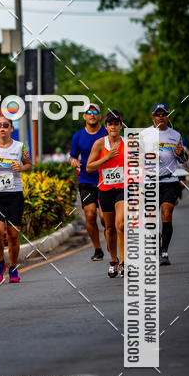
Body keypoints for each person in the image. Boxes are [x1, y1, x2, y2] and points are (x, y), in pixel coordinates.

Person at [0, 114, 32, 283]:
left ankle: (13, 267)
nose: (2, 128)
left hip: (15, 195)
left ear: (11, 128)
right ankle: (0, 262)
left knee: (12, 235)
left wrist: (21, 167)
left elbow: (29, 164)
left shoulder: (20, 147)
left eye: (6, 125)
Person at [143, 104, 187, 265]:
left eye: (164, 114)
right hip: (149, 181)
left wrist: (180, 153)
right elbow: (133, 158)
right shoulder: (144, 135)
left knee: (166, 214)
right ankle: (155, 243)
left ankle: (164, 251)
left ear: (168, 117)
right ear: (152, 117)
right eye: (157, 114)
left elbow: (183, 159)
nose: (161, 116)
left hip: (169, 180)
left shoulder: (175, 135)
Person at [86, 110, 126, 278]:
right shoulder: (100, 144)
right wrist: (107, 157)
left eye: (117, 123)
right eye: (110, 123)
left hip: (123, 188)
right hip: (105, 189)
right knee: (109, 229)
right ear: (106, 126)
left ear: (121, 125)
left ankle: (124, 262)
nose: (114, 126)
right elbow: (89, 167)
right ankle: (113, 260)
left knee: (121, 225)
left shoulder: (129, 143)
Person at [68, 102, 107, 261]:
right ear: (84, 116)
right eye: (88, 112)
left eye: (95, 112)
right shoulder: (78, 136)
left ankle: (110, 235)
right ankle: (98, 249)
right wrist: (73, 161)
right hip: (86, 180)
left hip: (106, 179)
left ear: (99, 116)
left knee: (105, 217)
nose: (92, 114)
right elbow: (72, 155)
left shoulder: (106, 132)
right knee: (90, 215)